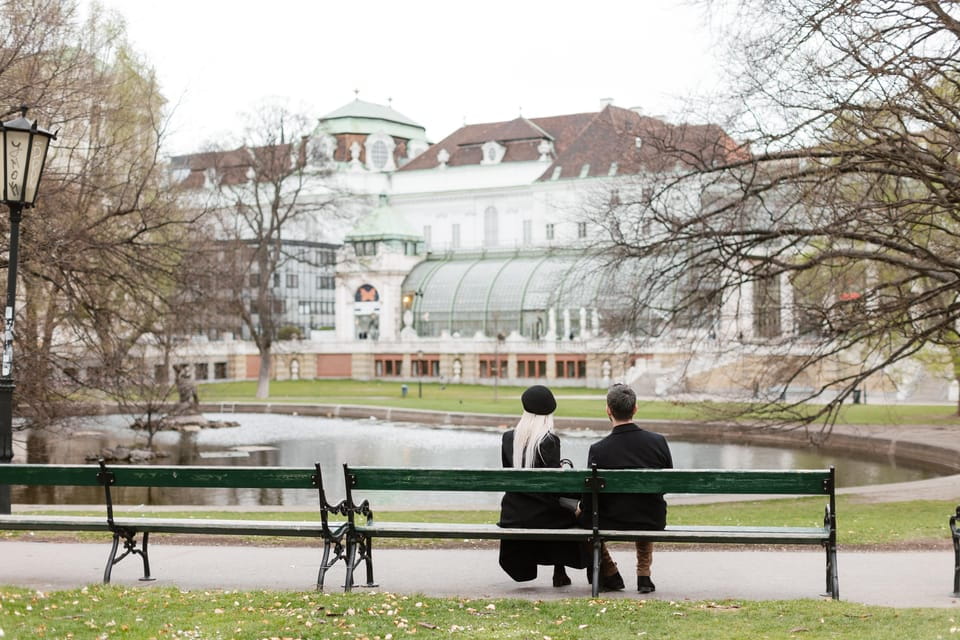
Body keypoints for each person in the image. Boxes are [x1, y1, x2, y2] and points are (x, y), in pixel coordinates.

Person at [578, 383, 673, 593]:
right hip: (652, 519)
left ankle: (610, 571)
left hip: (611, 519)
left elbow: (590, 497)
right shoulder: (658, 442)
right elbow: (666, 484)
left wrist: (581, 508)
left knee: (582, 518)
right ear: (635, 409)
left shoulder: (598, 450)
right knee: (645, 504)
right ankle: (644, 575)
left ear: (608, 410)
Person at [498, 384, 588, 586]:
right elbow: (554, 488)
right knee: (572, 514)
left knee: (554, 511)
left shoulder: (509, 438)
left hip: (513, 513)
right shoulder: (549, 440)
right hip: (543, 515)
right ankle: (563, 570)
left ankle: (560, 572)